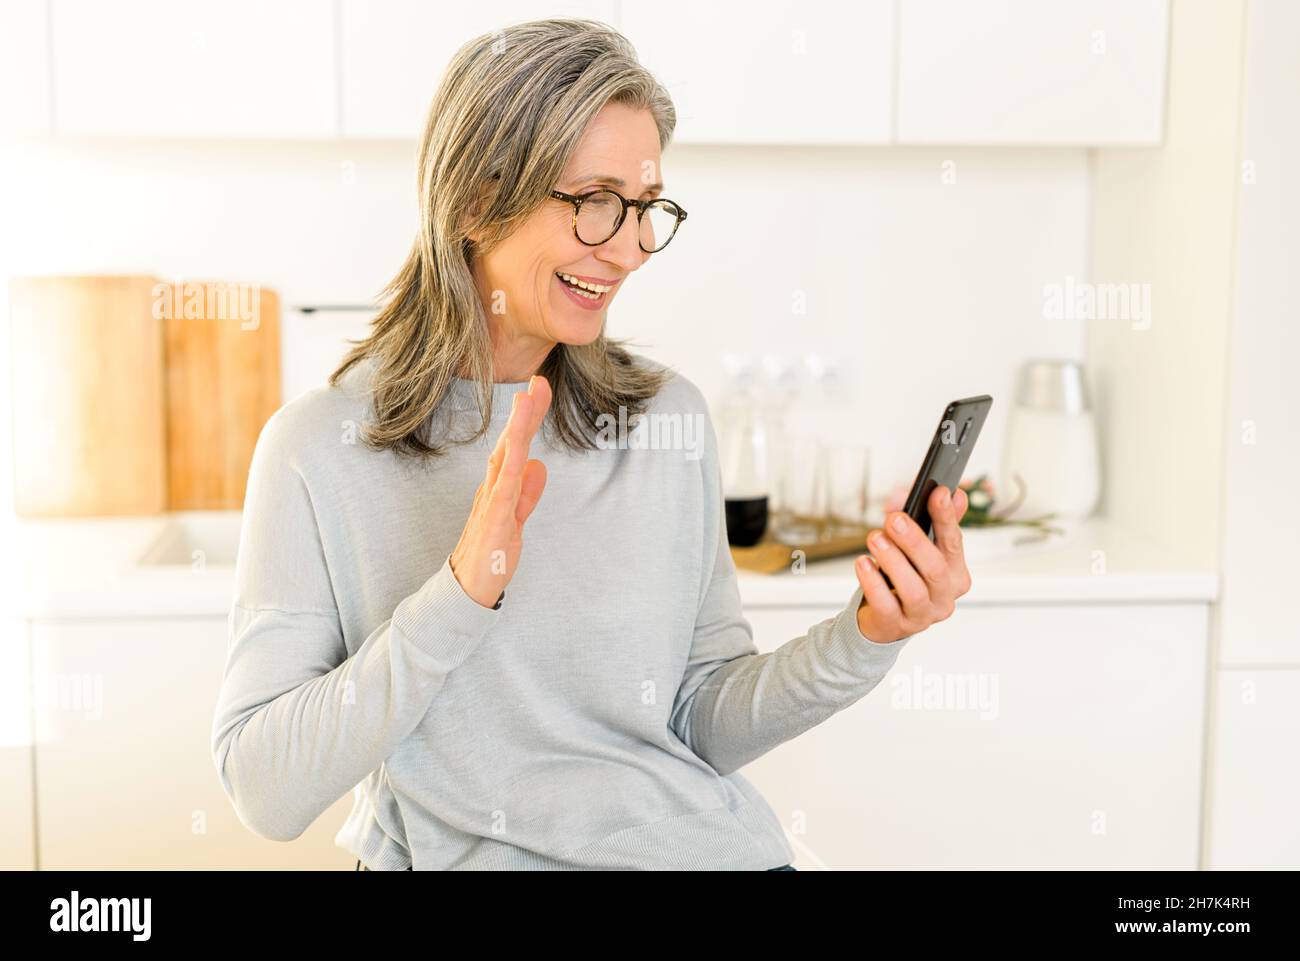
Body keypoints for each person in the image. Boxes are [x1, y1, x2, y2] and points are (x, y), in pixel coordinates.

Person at [211, 17, 971, 872]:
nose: (631, 248)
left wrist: (868, 634)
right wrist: (459, 594)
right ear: (475, 199)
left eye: (644, 209)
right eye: (596, 202)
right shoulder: (318, 449)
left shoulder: (666, 419)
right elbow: (264, 789)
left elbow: (698, 720)